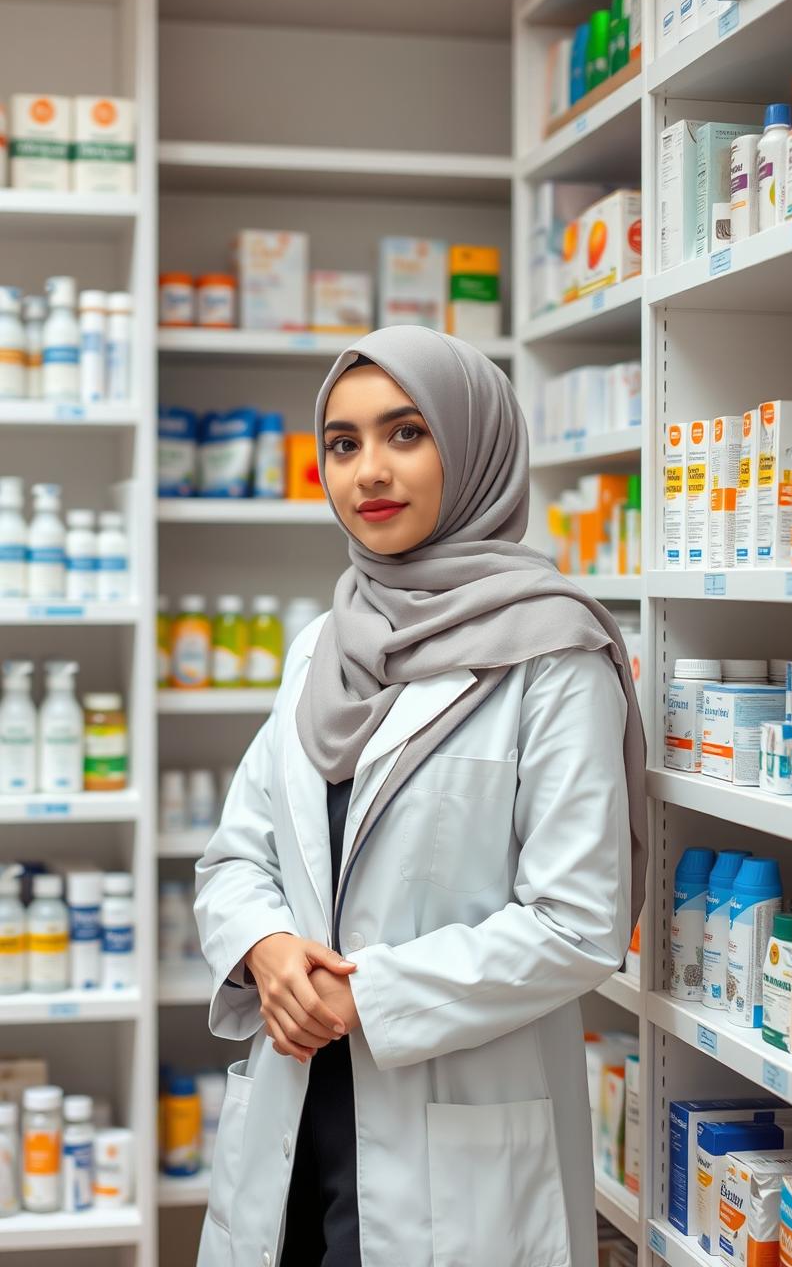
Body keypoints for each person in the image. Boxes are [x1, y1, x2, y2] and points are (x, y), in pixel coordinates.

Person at [194, 325, 647, 1267]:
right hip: (297, 1117)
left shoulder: (554, 656)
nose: (369, 471)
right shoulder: (320, 648)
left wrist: (366, 999)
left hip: (451, 1149)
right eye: (344, 442)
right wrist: (266, 949)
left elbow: (577, 922)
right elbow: (239, 853)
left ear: (472, 444)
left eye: (406, 433)